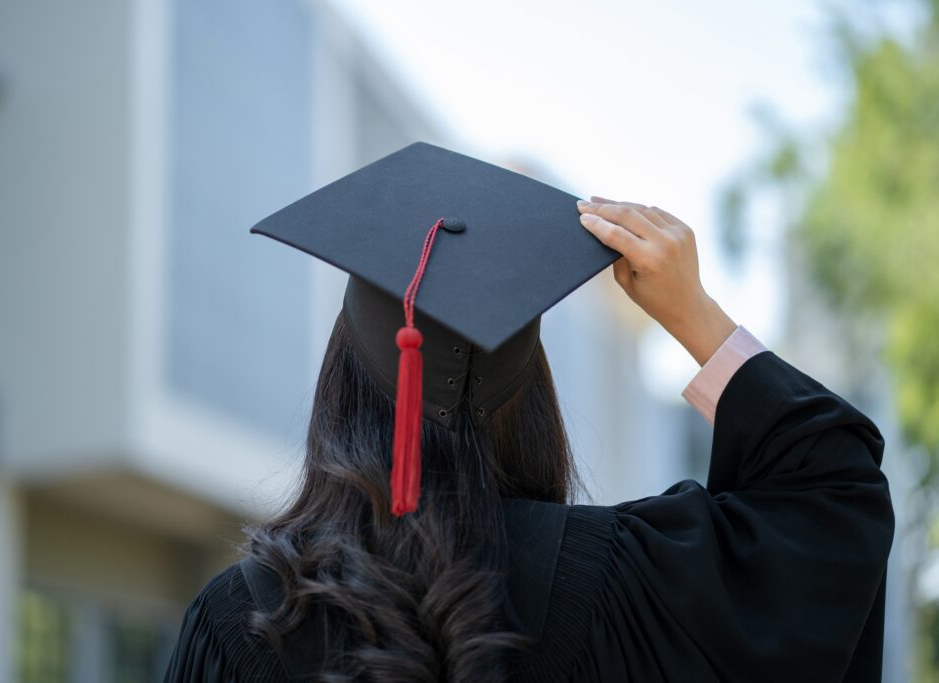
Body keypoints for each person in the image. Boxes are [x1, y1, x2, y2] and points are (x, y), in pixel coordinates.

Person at [164, 143, 894, 682]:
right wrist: (696, 316)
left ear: (344, 388)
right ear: (532, 396)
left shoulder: (242, 621)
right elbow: (833, 493)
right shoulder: (631, 584)